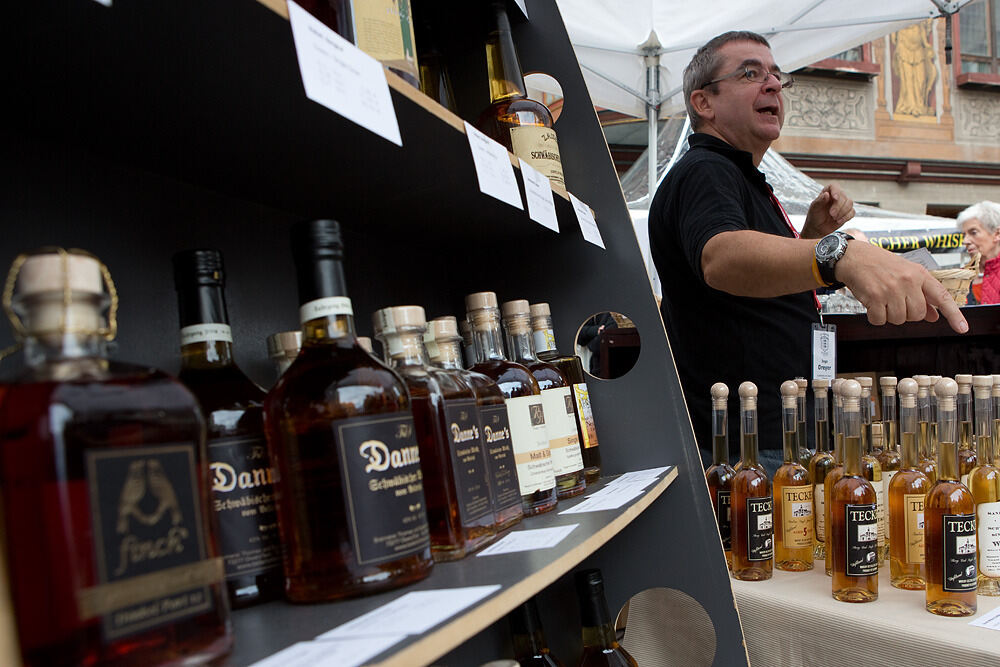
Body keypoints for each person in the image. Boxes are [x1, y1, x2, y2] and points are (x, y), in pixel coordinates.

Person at [648, 31, 968, 476]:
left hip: (776, 437)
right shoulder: (706, 169)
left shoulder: (739, 175)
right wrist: (838, 252)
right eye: (750, 73)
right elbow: (721, 258)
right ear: (704, 103)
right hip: (753, 448)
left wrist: (812, 234)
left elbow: (755, 287)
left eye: (777, 75)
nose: (774, 84)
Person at [957, 201, 1000, 305]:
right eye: (964, 234)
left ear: (997, 234)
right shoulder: (958, 277)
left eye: (973, 232)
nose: (965, 241)